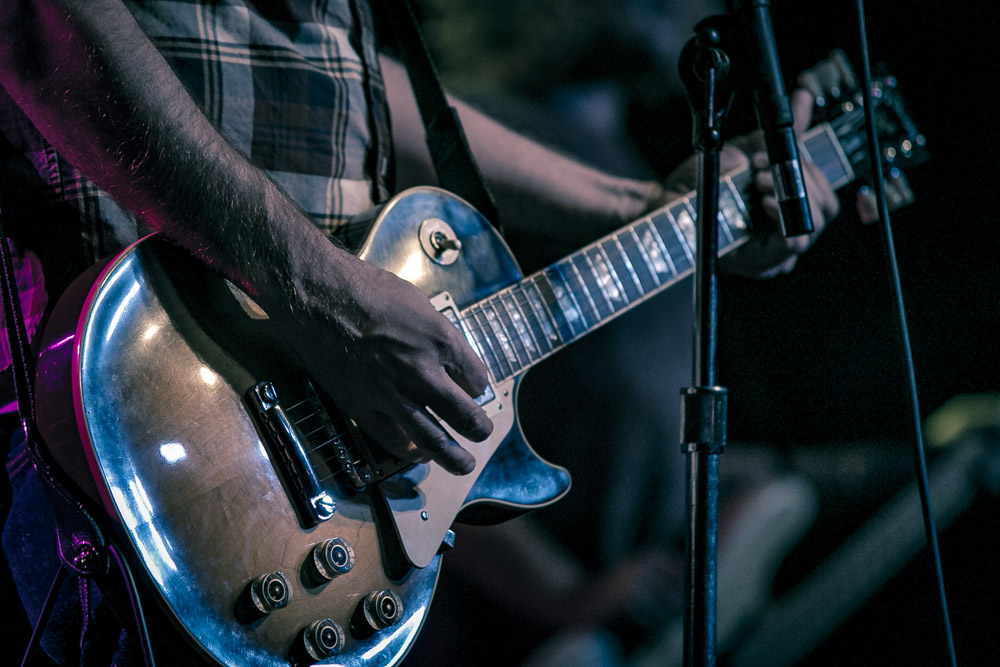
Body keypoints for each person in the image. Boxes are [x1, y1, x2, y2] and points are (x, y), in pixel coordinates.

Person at [0, 0, 839, 664]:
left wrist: (654, 212)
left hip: (299, 494)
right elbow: (38, 21)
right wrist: (320, 295)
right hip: (120, 376)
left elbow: (344, 74)